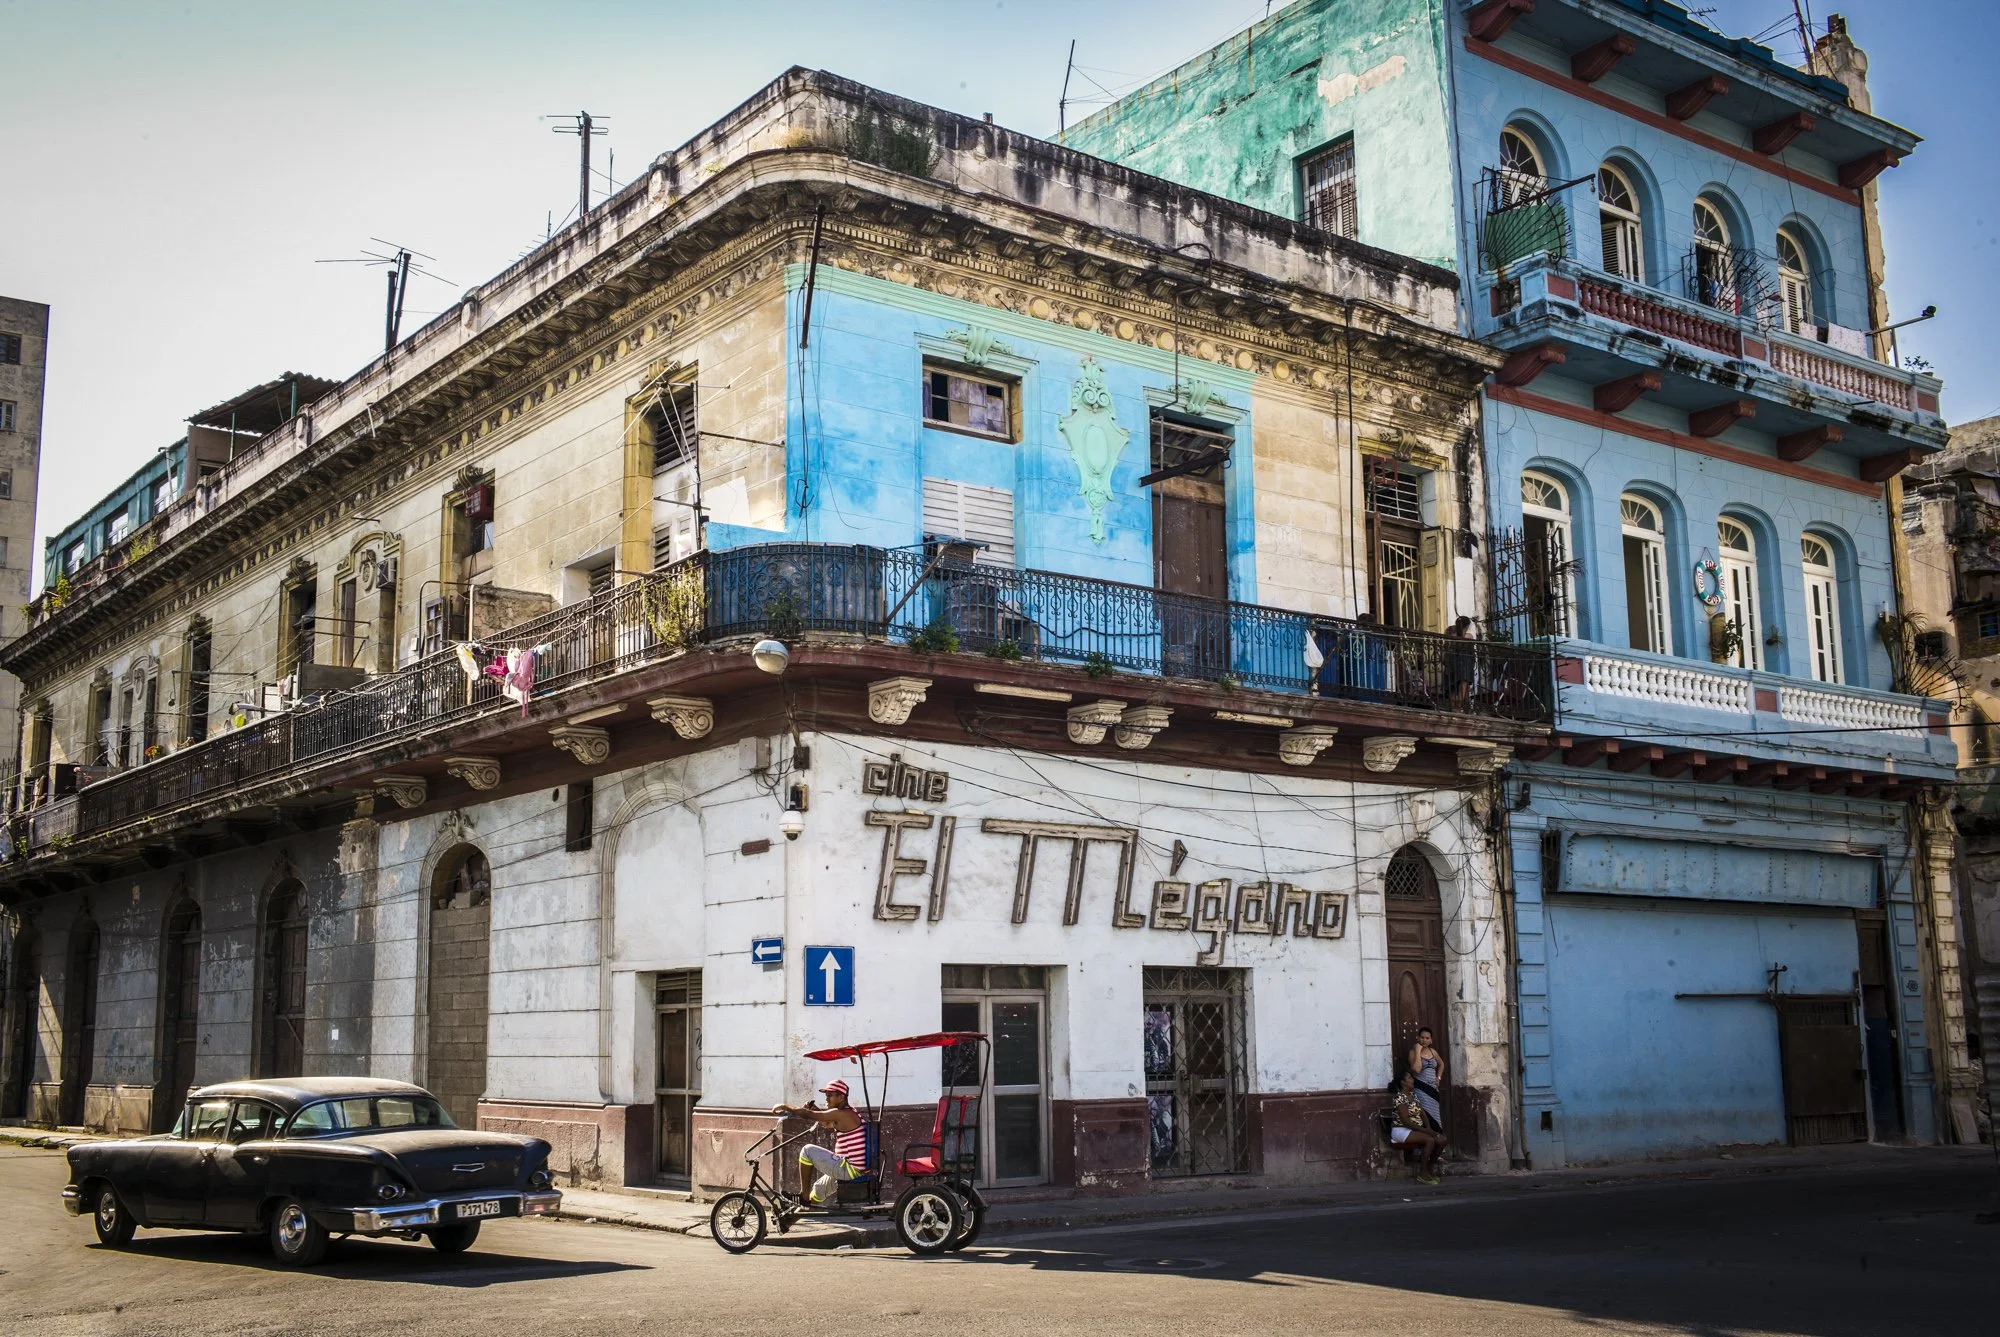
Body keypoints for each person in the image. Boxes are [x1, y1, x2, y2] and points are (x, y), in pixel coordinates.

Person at [774, 1078, 869, 1203]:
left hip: (848, 1169)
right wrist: (815, 1109)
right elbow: (827, 1123)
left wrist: (786, 1106)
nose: (826, 1099)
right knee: (818, 1190)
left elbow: (808, 1115)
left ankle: (804, 1197)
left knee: (807, 1151)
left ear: (841, 1097)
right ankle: (800, 1210)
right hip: (852, 1168)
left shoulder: (841, 1113)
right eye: (826, 1095)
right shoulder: (848, 1113)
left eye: (830, 1095)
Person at [1390, 1069, 1449, 1184]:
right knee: (1430, 1139)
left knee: (1442, 1140)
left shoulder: (1413, 1096)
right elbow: (1406, 1121)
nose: (1412, 1080)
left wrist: (1429, 1129)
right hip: (1401, 1130)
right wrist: (1427, 1131)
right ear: (1403, 1082)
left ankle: (1429, 1168)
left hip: (1415, 1129)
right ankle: (1422, 1173)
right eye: (1410, 1078)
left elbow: (1423, 1114)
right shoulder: (1399, 1098)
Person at [1406, 1025, 1446, 1134]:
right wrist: (1418, 1050)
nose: (1424, 1040)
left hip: (1433, 1089)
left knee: (1435, 1115)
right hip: (1420, 1089)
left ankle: (1437, 1141)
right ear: (1418, 1038)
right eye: (1422, 1037)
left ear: (1431, 1040)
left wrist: (1438, 1077)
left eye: (1427, 1038)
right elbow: (1417, 1069)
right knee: (1424, 1115)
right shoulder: (1413, 1052)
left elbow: (1441, 1064)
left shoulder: (1433, 1052)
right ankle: (1424, 1143)